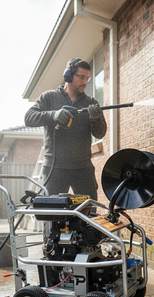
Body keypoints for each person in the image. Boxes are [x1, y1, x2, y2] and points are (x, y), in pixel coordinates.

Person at [24, 58, 107, 200]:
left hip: (83, 168)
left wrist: (95, 119)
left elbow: (100, 133)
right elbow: (29, 118)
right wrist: (53, 115)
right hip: (55, 167)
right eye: (81, 77)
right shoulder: (49, 97)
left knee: (89, 211)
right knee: (53, 215)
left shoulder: (91, 102)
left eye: (87, 78)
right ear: (68, 76)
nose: (85, 82)